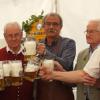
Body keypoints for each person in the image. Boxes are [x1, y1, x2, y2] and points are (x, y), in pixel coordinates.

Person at [36, 13, 76, 100]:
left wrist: (45, 53)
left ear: (60, 27)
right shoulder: (38, 44)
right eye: (48, 24)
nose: (51, 27)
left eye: (55, 24)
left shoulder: (68, 43)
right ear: (43, 26)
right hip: (42, 95)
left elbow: (66, 64)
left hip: (62, 95)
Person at [0, 22, 34, 100]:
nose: (14, 38)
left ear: (21, 35)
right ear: (5, 37)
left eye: (16, 35)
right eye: (10, 35)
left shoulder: (30, 53)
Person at [75, 20, 100, 100]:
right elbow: (75, 78)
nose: (87, 35)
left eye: (91, 32)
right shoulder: (81, 54)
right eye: (87, 31)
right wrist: (60, 70)